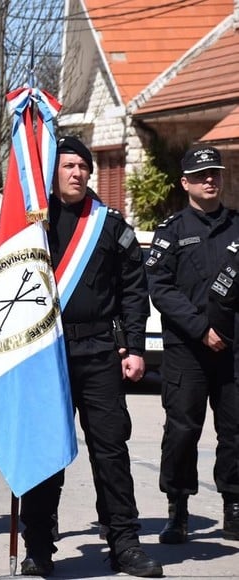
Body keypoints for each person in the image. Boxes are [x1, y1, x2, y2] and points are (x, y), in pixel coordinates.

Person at [0, 137, 162, 577]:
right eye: (68, 166)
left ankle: (124, 543)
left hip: (99, 350)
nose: (78, 173)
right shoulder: (26, 226)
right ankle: (39, 547)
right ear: (51, 171)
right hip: (45, 353)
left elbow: (134, 291)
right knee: (45, 452)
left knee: (110, 450)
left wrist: (134, 346)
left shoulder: (109, 225)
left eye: (84, 166)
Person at [146, 144, 239, 546]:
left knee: (235, 432)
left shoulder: (238, 226)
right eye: (202, 175)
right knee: (182, 431)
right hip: (187, 349)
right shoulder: (172, 232)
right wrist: (202, 329)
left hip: (233, 350)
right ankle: (178, 511)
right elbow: (160, 289)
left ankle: (234, 507)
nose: (210, 180)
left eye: (215, 173)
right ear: (185, 182)